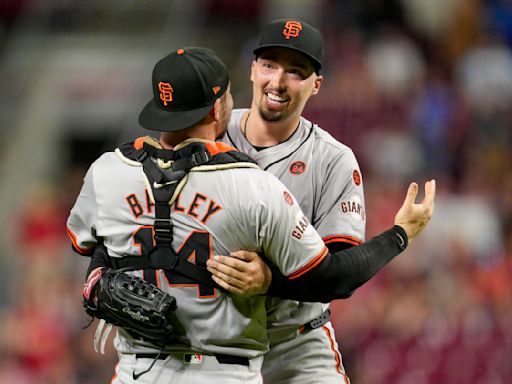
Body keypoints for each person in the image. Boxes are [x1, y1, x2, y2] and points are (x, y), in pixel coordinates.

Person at [67, 47, 434, 383]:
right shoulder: (253, 185)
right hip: (223, 370)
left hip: (138, 369)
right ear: (216, 109)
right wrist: (400, 234)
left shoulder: (106, 172)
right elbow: (332, 278)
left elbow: (95, 246)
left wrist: (101, 273)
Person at [207, 18, 429, 383]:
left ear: (316, 85)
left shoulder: (332, 159)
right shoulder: (208, 133)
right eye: (269, 65)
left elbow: (338, 276)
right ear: (252, 69)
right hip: (211, 346)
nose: (277, 82)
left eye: (296, 72)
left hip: (294, 344)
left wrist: (270, 281)